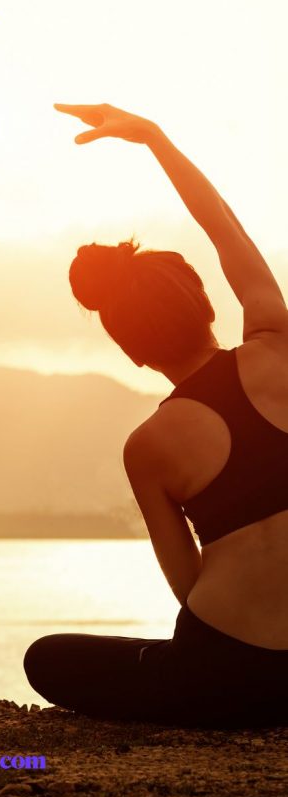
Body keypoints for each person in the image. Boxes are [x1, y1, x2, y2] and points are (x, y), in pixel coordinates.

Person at [23, 103, 288, 727]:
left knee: (50, 659)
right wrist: (152, 139)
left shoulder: (147, 448)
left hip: (227, 675)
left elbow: (188, 586)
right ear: (205, 303)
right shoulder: (276, 346)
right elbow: (225, 230)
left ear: (133, 353)